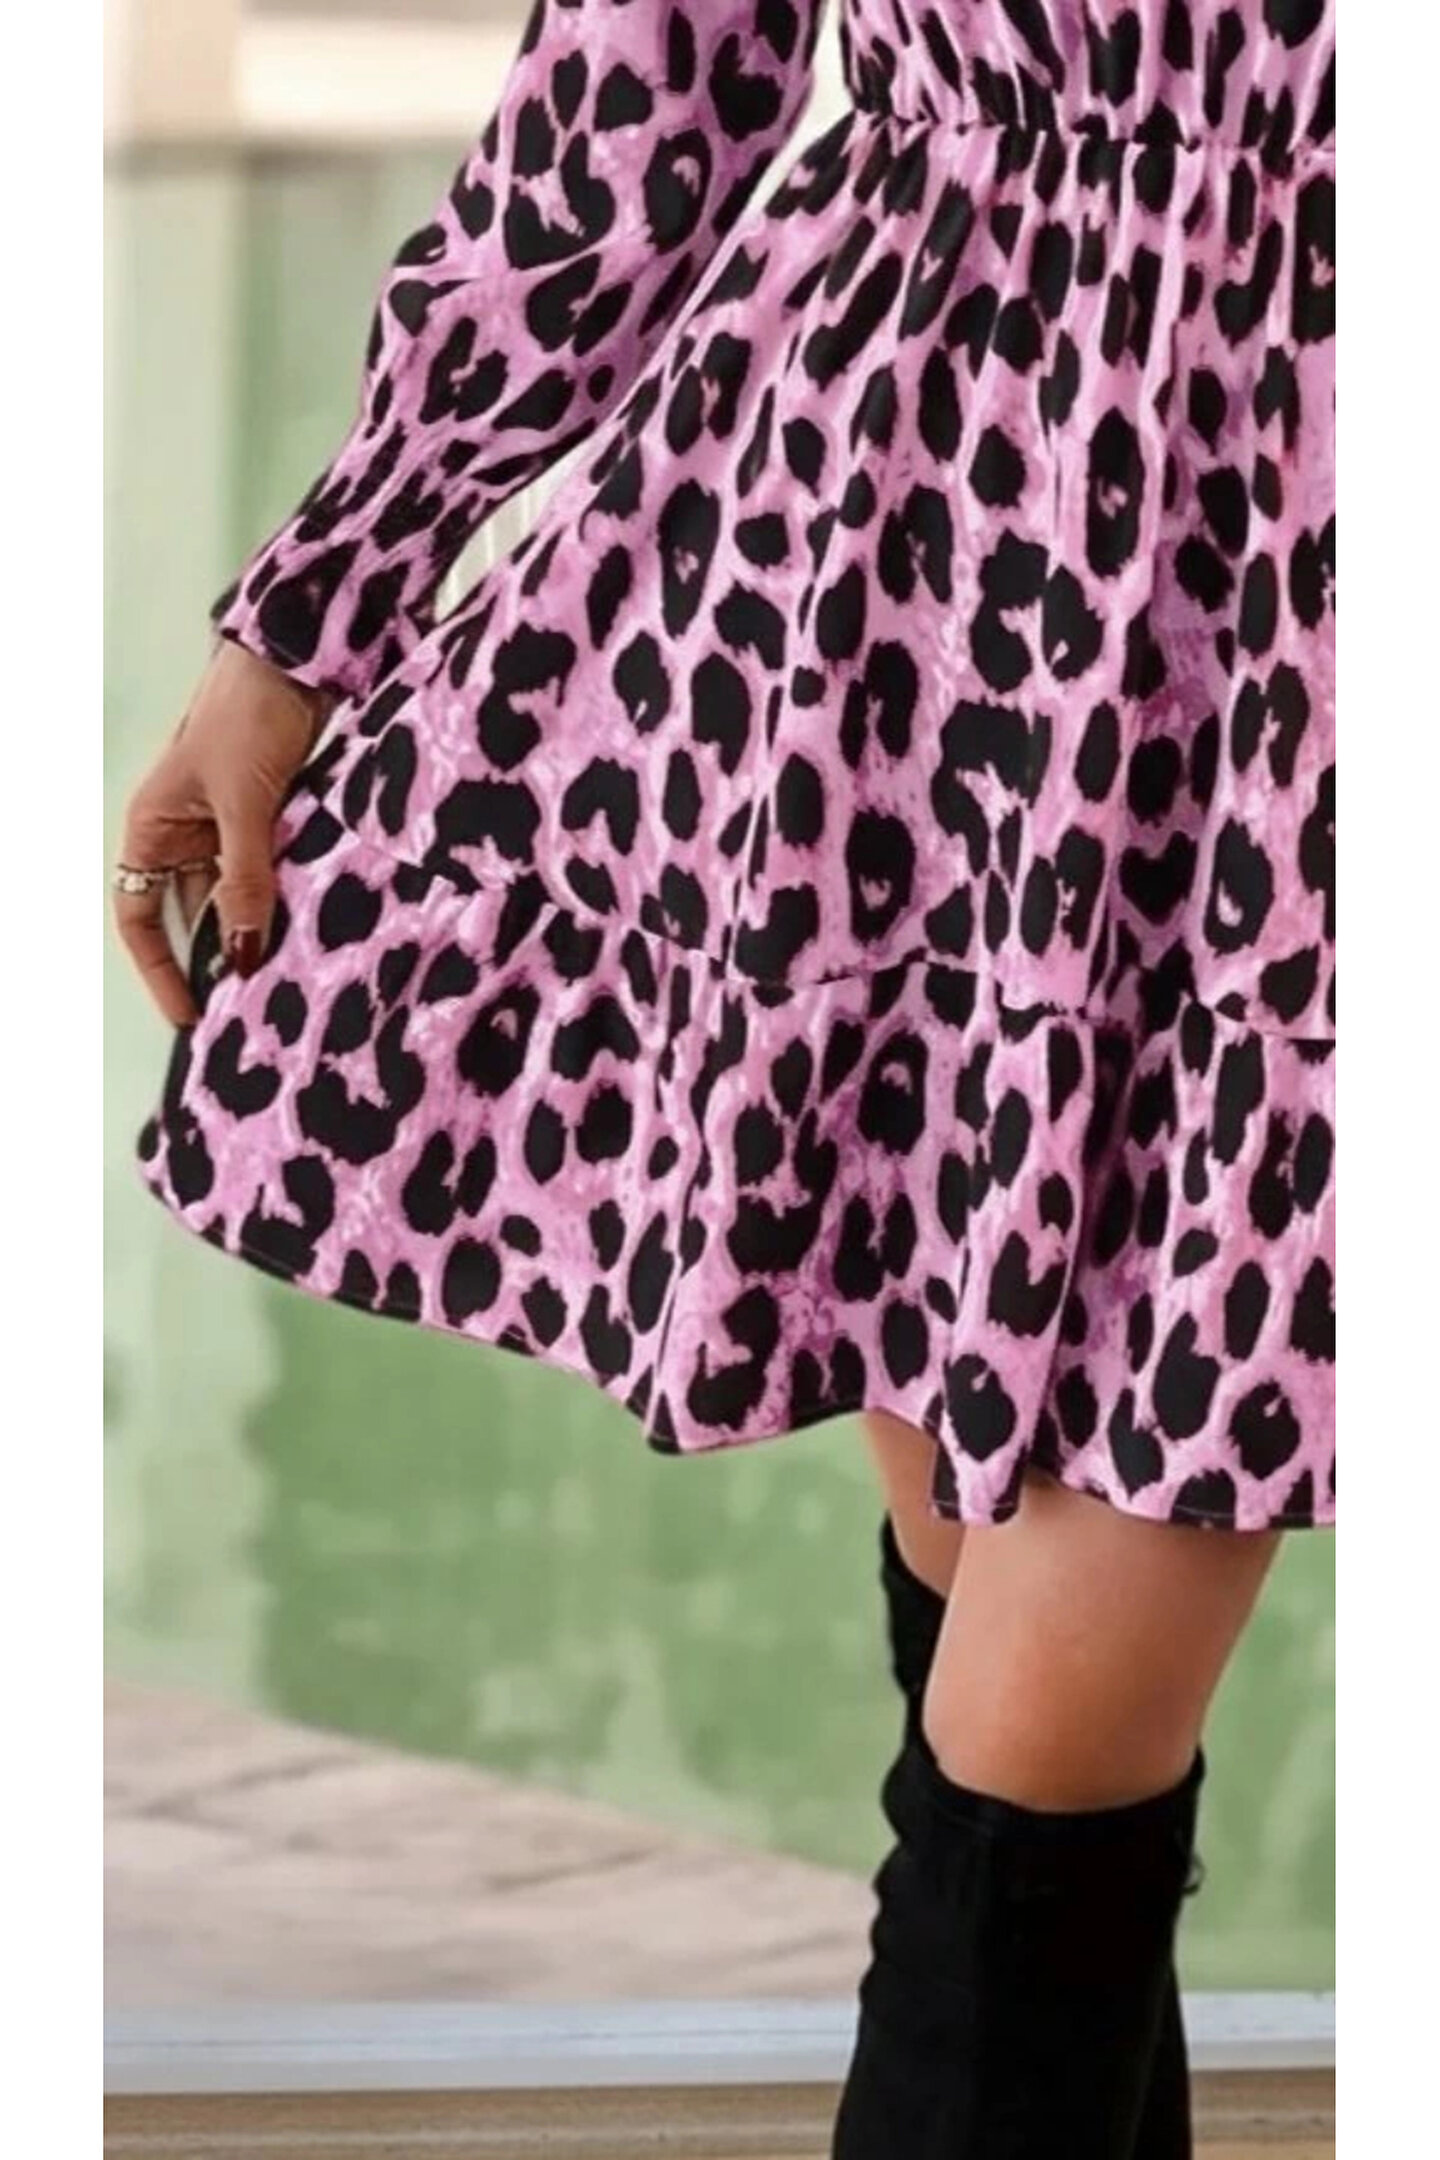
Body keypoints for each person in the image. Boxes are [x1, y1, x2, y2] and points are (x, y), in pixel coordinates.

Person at [114, 2, 1335, 2151]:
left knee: (1040, 1751)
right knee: (1003, 1708)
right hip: (926, 566)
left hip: (1310, 635)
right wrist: (302, 620)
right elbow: (642, 76)